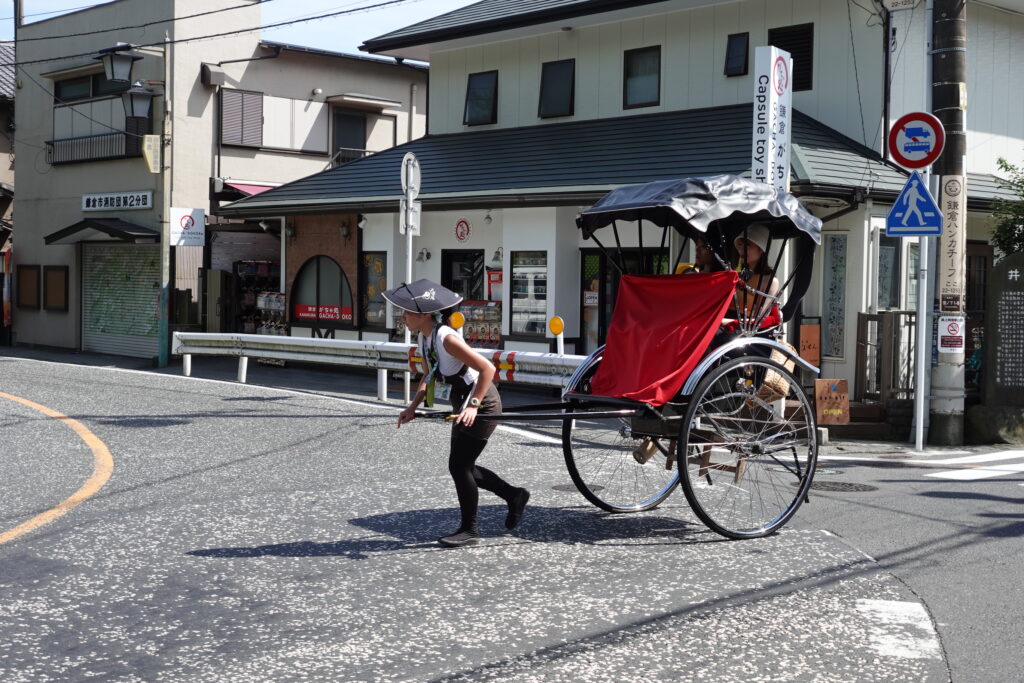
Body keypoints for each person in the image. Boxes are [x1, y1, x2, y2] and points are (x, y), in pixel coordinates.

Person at [385, 279, 530, 548]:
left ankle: (470, 529)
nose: (402, 316)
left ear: (423, 314)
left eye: (406, 312)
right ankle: (514, 495)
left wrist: (474, 404)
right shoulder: (424, 337)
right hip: (461, 399)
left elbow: (487, 369)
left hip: (482, 401)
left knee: (459, 465)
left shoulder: (446, 338)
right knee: (463, 466)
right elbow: (429, 373)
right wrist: (412, 407)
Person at [727, 223, 781, 325]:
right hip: (724, 321)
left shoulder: (769, 280)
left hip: (743, 328)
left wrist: (727, 322)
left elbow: (759, 318)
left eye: (747, 245)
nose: (742, 249)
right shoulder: (736, 275)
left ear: (761, 249)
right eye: (741, 244)